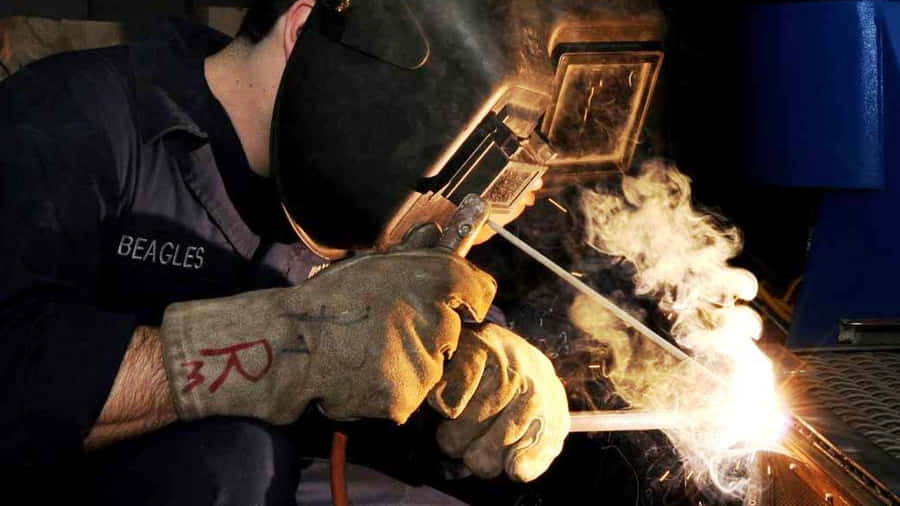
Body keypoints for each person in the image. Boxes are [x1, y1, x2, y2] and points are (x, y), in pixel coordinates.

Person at [0, 0, 569, 503]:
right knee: (234, 461)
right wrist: (294, 344)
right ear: (305, 30)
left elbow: (387, 365)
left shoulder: (359, 192)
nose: (422, 145)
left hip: (288, 477)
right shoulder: (69, 117)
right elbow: (14, 373)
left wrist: (484, 369)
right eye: (423, 108)